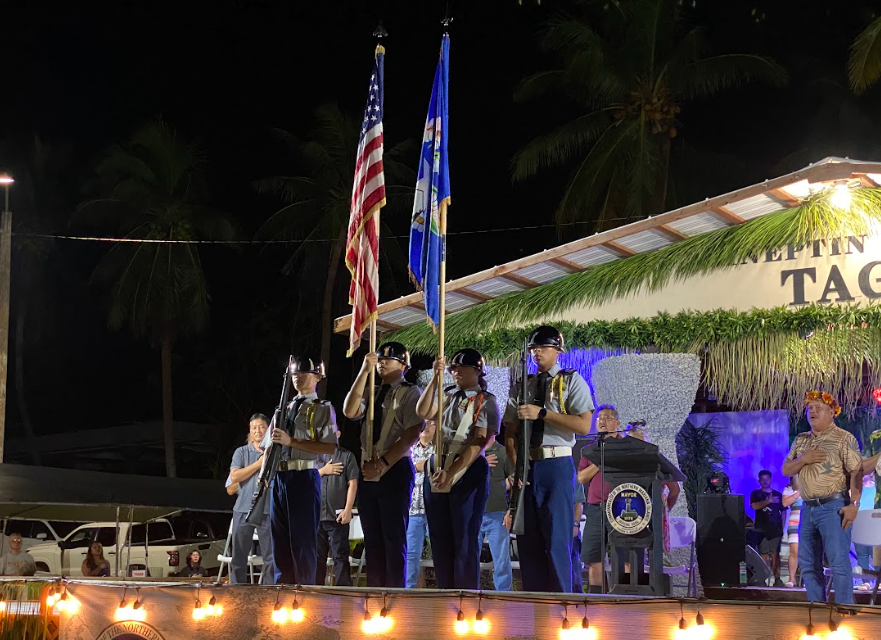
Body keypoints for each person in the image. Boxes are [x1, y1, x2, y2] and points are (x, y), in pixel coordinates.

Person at [503, 326, 593, 593]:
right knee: (527, 540)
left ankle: (564, 601)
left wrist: (543, 413)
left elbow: (583, 425)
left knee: (557, 540)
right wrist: (517, 467)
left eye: (543, 347)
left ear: (557, 351)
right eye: (534, 348)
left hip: (556, 463)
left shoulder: (570, 381)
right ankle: (535, 602)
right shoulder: (524, 385)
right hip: (527, 465)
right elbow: (510, 433)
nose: (537, 352)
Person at [416, 348, 499, 589]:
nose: (456, 372)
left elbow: (479, 440)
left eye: (462, 368)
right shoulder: (448, 396)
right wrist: (435, 377)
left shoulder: (485, 400)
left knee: (464, 537)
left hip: (467, 468)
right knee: (439, 536)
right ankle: (444, 591)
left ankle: (464, 593)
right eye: (453, 368)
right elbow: (423, 411)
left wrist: (452, 473)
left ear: (477, 371)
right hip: (438, 463)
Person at [343, 342, 422, 588]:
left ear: (404, 365)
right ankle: (375, 592)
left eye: (390, 359)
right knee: (373, 538)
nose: (383, 363)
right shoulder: (372, 391)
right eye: (380, 359)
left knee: (393, 537)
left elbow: (413, 432)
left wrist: (383, 463)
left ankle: (394, 593)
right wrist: (364, 371)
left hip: (394, 466)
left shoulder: (411, 392)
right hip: (368, 466)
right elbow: (349, 411)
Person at [782, 390, 862, 604]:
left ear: (832, 412)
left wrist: (854, 504)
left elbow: (857, 471)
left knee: (838, 561)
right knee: (808, 563)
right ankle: (817, 606)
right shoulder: (801, 440)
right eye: (810, 408)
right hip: (807, 508)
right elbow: (786, 469)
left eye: (819, 408)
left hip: (834, 506)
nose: (813, 411)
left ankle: (845, 608)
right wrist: (804, 459)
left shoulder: (844, 438)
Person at [268, 356, 339, 585]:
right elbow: (269, 445)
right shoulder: (285, 408)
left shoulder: (323, 408)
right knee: (280, 540)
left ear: (317, 377)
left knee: (303, 540)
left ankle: (304, 590)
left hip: (304, 474)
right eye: (295, 374)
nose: (297, 377)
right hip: (280, 475)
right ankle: (282, 589)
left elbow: (329, 446)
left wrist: (292, 442)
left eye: (303, 373)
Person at [228, 413, 275, 584]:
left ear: (268, 429)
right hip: (243, 509)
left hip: (267, 510)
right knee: (238, 555)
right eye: (254, 427)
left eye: (262, 427)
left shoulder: (275, 452)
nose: (258, 430)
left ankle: (269, 590)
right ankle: (237, 589)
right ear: (249, 430)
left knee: (271, 556)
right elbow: (234, 477)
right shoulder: (241, 452)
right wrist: (258, 464)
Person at [315, 435, 359, 586]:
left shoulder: (347, 456)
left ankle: (343, 591)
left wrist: (348, 509)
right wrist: (323, 471)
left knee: (340, 556)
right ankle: (315, 590)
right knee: (317, 556)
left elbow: (353, 484)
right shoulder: (313, 455)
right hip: (316, 515)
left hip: (337, 515)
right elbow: (306, 479)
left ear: (338, 434)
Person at [478, 439, 514, 591]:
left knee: (501, 561)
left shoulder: (503, 452)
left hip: (497, 514)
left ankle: (504, 596)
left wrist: (511, 510)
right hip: (473, 514)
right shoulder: (471, 452)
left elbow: (515, 481)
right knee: (468, 559)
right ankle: (469, 594)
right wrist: (480, 463)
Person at [405, 419, 436, 589]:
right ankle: (408, 590)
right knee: (411, 554)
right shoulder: (409, 448)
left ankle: (445, 590)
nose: (426, 427)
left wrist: (419, 466)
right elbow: (407, 468)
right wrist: (423, 465)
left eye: (431, 423)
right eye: (424, 423)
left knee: (439, 551)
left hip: (434, 509)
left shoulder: (439, 449)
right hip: (413, 509)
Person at [750, 470, 786, 587]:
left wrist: (782, 527)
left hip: (776, 530)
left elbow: (783, 511)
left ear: (771, 480)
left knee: (775, 555)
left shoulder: (778, 494)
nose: (765, 481)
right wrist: (769, 501)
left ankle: (777, 579)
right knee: (763, 554)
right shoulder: (755, 494)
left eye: (767, 479)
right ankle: (762, 579)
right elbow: (754, 506)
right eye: (763, 479)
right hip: (761, 529)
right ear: (759, 481)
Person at [782, 476, 803, 588]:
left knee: (809, 552)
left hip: (809, 522)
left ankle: (808, 580)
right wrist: (797, 494)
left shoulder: (812, 486)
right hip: (795, 523)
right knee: (794, 551)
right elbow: (785, 503)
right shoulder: (789, 488)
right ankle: (791, 579)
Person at [572, 482, 586, 594]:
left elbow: (579, 503)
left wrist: (575, 524)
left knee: (574, 565)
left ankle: (577, 594)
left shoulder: (574, 478)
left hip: (570, 528)